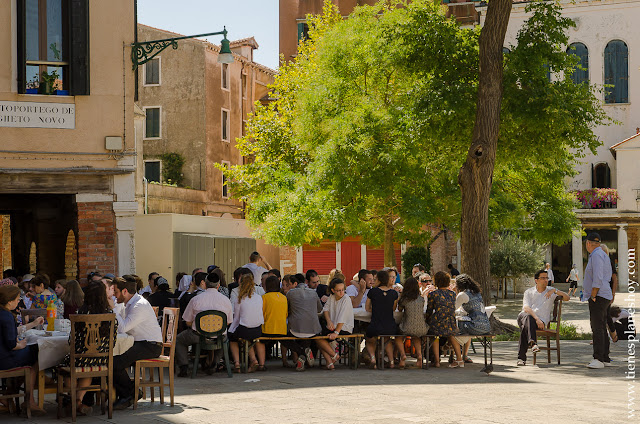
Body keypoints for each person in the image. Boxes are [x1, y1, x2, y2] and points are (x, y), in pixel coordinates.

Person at [61, 281, 117, 416]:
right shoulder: (109, 315)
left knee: (67, 365)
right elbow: (113, 342)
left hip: (78, 360)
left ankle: (73, 401)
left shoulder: (80, 314)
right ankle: (78, 402)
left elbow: (71, 341)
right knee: (89, 369)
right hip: (100, 360)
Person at [112, 277, 163, 409]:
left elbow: (123, 327)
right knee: (110, 359)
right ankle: (123, 393)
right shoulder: (129, 303)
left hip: (151, 345)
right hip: (138, 342)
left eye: (115, 292)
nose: (113, 295)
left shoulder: (139, 305)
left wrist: (114, 309)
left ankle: (130, 393)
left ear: (124, 291)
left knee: (114, 363)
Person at [176, 271, 233, 377]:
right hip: (219, 336)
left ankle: (183, 366)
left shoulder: (195, 299)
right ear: (218, 285)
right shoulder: (226, 300)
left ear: (205, 284)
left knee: (179, 340)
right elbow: (228, 322)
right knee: (225, 339)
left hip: (197, 335)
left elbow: (187, 321)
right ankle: (214, 363)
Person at [0, 284, 45, 414]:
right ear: (9, 301)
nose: (19, 301)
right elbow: (11, 344)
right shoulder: (7, 316)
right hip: (5, 359)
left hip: (3, 356)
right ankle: (28, 400)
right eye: (17, 298)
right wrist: (21, 345)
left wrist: (33, 324)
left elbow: (12, 332)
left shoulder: (3, 313)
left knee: (32, 354)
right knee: (36, 354)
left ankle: (12, 392)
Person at [516, 270, 570, 366]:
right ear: (536, 280)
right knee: (528, 318)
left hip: (538, 323)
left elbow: (567, 298)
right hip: (525, 317)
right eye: (543, 278)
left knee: (526, 328)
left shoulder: (551, 291)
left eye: (547, 278)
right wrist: (537, 318)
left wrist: (556, 291)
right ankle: (533, 343)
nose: (546, 280)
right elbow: (526, 308)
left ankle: (522, 357)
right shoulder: (529, 292)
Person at [283, 273, 326, 372]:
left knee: (282, 337)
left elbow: (287, 310)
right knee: (306, 336)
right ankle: (303, 356)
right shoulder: (313, 293)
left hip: (295, 328)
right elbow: (320, 309)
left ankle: (301, 353)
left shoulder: (290, 293)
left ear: (295, 283)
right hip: (313, 329)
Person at [583, 232, 613, 369]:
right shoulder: (602, 254)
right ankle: (605, 357)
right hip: (604, 295)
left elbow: (598, 276)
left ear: (588, 244)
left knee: (597, 327)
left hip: (599, 295)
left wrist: (593, 294)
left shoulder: (596, 255)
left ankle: (598, 358)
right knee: (601, 326)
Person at [364, 270, 405, 369]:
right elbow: (393, 308)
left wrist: (375, 309)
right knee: (386, 339)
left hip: (375, 326)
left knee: (369, 340)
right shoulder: (394, 293)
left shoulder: (373, 292)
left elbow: (367, 308)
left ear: (378, 279)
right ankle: (391, 362)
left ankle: (373, 358)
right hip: (390, 326)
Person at [425, 271, 463, 368]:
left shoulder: (433, 294)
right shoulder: (452, 294)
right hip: (450, 322)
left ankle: (437, 361)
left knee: (434, 336)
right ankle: (459, 359)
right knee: (451, 335)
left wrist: (426, 319)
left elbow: (429, 310)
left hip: (438, 323)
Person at [229, 274, 265, 372]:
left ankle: (237, 363)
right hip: (258, 329)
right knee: (247, 338)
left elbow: (236, 319)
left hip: (245, 329)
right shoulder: (259, 298)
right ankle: (253, 360)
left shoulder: (239, 299)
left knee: (232, 338)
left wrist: (230, 330)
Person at [454, 274, 491, 362]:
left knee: (452, 328)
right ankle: (465, 355)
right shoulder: (476, 293)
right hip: (486, 326)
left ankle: (457, 357)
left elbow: (452, 308)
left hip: (475, 327)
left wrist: (455, 292)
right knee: (466, 325)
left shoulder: (462, 295)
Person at [319, 278, 354, 369]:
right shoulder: (332, 297)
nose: (341, 292)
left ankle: (331, 360)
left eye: (343, 290)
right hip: (333, 326)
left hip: (344, 327)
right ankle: (332, 359)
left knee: (321, 339)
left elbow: (342, 318)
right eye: (338, 290)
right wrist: (329, 321)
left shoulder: (346, 299)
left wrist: (336, 333)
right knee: (317, 336)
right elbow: (325, 309)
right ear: (333, 290)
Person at [398, 277, 428, 367]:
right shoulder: (421, 299)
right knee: (416, 337)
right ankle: (419, 355)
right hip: (422, 328)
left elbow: (399, 310)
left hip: (407, 327)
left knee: (398, 337)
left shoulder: (404, 299)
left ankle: (403, 355)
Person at [261, 275, 289, 367]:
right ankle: (286, 359)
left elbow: (261, 314)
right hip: (282, 330)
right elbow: (286, 314)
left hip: (267, 330)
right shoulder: (284, 298)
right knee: (287, 341)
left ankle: (261, 362)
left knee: (260, 342)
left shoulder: (264, 297)